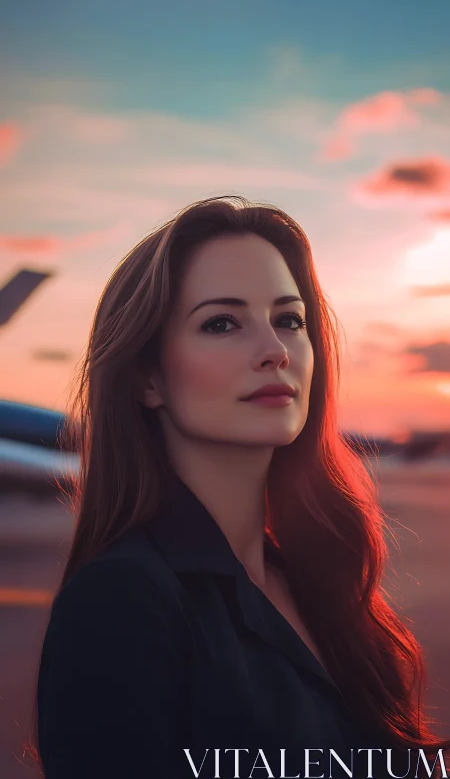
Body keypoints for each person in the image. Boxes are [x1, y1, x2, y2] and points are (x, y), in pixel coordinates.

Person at [27, 195, 449, 778]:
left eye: (289, 320)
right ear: (148, 379)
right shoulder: (121, 603)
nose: (274, 351)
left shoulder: (312, 577)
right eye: (221, 323)